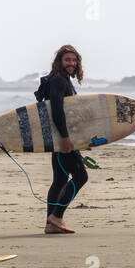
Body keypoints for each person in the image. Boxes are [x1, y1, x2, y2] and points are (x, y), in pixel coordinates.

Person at [41, 45, 88, 234]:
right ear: (60, 61)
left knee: (59, 181)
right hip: (62, 139)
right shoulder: (59, 81)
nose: (71, 64)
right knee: (81, 176)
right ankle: (57, 216)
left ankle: (50, 225)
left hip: (57, 137)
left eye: (74, 60)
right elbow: (57, 111)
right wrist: (66, 137)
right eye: (67, 60)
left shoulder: (60, 80)